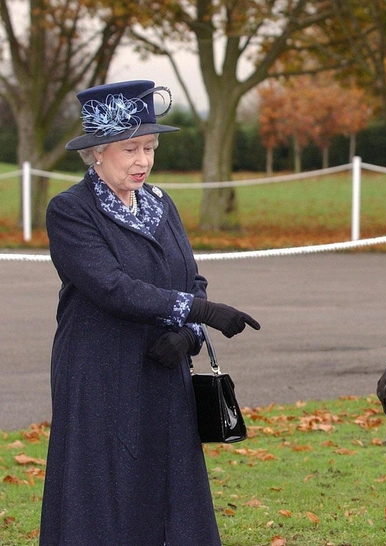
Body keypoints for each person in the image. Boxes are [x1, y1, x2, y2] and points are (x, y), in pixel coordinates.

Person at [40, 80, 260, 545]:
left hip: (164, 369)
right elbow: (112, 287)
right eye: (130, 149)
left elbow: (190, 276)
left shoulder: (161, 203)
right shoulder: (70, 211)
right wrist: (202, 310)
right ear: (97, 152)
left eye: (150, 147)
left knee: (169, 488)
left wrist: (191, 333)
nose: (143, 160)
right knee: (104, 490)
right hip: (100, 371)